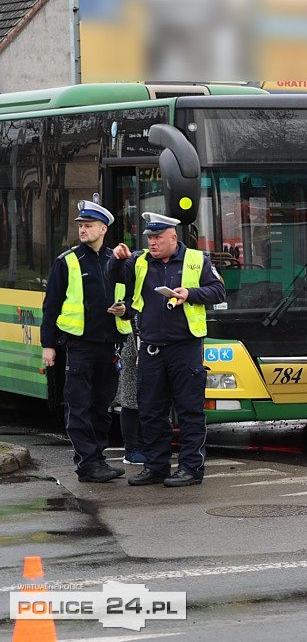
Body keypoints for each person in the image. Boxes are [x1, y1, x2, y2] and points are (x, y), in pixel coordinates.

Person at [108, 211, 226, 487]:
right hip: (151, 349)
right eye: (150, 237)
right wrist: (116, 260)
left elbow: (218, 291)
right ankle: (156, 466)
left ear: (174, 237)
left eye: (158, 237)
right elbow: (114, 277)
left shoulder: (197, 260)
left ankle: (190, 469)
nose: (152, 242)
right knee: (151, 411)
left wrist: (190, 294)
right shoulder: (139, 262)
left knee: (189, 412)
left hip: (185, 348)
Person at [40, 200, 127, 483]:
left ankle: (98, 458)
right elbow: (50, 306)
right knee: (78, 406)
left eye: (88, 225)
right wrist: (49, 345)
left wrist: (125, 310)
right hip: (79, 346)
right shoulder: (67, 261)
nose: (83, 229)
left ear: (103, 228)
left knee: (101, 406)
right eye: (80, 225)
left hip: (109, 345)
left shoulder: (116, 262)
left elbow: (131, 297)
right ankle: (87, 463)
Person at [116, 317, 144, 465]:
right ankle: (132, 450)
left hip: (144, 347)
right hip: (132, 348)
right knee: (130, 400)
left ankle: (142, 446)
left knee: (146, 401)